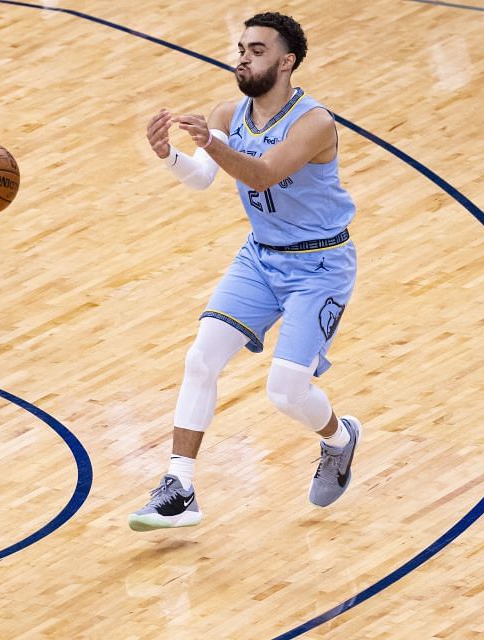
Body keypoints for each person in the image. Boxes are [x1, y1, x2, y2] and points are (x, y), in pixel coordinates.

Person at [129, 12, 360, 532]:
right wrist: (170, 157)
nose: (242, 57)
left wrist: (211, 143)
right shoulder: (228, 112)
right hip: (260, 257)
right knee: (200, 357)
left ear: (287, 61)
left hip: (319, 265)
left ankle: (339, 438)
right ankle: (179, 485)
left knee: (285, 393)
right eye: (241, 48)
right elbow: (202, 179)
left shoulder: (314, 123)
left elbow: (262, 173)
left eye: (256, 50)